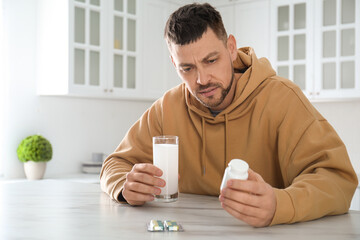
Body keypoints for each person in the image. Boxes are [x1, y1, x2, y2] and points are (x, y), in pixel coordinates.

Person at [100, 3, 358, 227]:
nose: (202, 79)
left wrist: (281, 204)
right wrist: (125, 187)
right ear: (174, 65)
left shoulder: (283, 99)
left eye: (211, 60)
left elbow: (338, 180)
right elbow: (114, 164)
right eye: (187, 68)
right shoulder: (167, 107)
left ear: (231, 48)